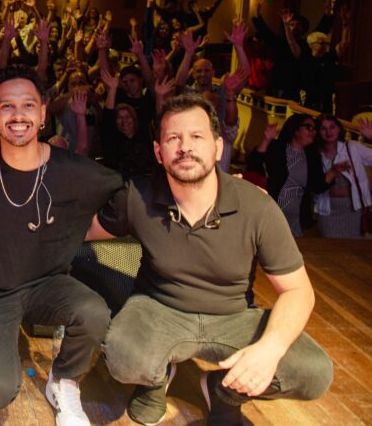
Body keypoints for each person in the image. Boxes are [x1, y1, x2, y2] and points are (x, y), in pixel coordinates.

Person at [91, 94, 333, 425]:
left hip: (232, 315)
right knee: (122, 357)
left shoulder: (257, 206)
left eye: (196, 137)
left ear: (218, 147)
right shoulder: (137, 196)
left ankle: (224, 391)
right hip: (159, 308)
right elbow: (85, 230)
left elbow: (298, 291)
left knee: (313, 372)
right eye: (173, 138)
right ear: (159, 152)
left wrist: (269, 349)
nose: (184, 147)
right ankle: (156, 380)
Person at [0, 64, 126, 426]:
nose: (18, 115)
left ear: (43, 113)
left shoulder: (73, 169)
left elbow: (124, 193)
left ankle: (64, 381)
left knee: (93, 313)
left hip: (46, 283)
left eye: (28, 105)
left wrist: (86, 230)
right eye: (7, 107)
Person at [246, 113, 331, 237]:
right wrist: (266, 139)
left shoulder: (312, 156)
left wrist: (334, 172)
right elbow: (253, 164)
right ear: (296, 129)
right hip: (272, 213)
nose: (313, 132)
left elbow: (317, 186)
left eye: (315, 129)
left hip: (296, 218)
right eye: (309, 127)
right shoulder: (277, 147)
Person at [312, 115, 372, 238]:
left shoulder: (352, 147)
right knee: (332, 252)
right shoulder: (314, 153)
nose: (328, 132)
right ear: (318, 132)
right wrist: (332, 171)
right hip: (327, 211)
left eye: (332, 127)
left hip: (353, 210)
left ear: (339, 129)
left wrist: (371, 137)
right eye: (323, 128)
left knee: (354, 251)